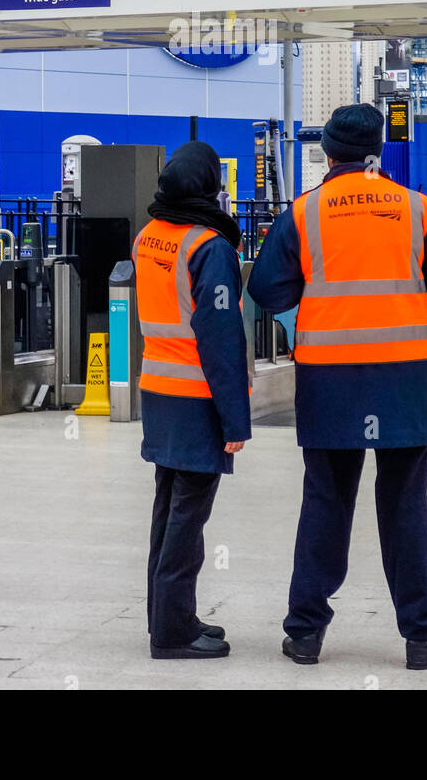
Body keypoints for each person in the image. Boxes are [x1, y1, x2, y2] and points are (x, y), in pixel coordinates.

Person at [247, 104, 427, 670]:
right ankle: (425, 636)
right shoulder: (418, 209)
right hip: (402, 373)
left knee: (326, 499)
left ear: (327, 151)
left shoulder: (303, 212)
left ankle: (304, 633)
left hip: (329, 375)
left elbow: (268, 292)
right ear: (379, 150)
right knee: (405, 504)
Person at [134, 141, 250, 660]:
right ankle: (173, 634)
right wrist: (235, 419)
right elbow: (221, 338)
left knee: (167, 509)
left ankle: (169, 615)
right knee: (188, 519)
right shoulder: (209, 248)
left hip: (157, 390)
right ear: (211, 188)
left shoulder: (150, 236)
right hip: (198, 395)